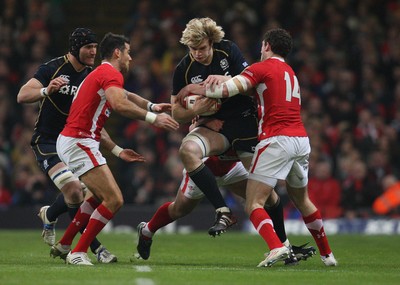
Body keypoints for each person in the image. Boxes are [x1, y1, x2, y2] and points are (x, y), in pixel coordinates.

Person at [176, 28, 338, 267]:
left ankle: (276, 247)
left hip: (276, 139)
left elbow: (226, 91)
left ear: (265, 46)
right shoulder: (290, 72)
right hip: (301, 141)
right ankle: (328, 255)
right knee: (303, 201)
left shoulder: (261, 68)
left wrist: (189, 89)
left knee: (253, 203)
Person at [51, 32, 179, 266]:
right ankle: (78, 253)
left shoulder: (101, 73)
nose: (130, 58)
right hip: (79, 141)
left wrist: (151, 104)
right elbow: (120, 103)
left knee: (97, 197)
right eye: (128, 52)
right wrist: (153, 118)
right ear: (118, 52)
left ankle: (66, 243)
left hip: (79, 140)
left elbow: (126, 95)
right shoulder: (109, 73)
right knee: (114, 199)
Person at [16, 28, 121, 263]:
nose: (94, 51)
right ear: (75, 48)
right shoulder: (52, 68)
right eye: (88, 47)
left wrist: (116, 149)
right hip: (47, 141)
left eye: (95, 47)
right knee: (74, 190)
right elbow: (22, 95)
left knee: (85, 193)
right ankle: (94, 249)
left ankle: (51, 214)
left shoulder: (91, 76)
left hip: (73, 140)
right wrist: (46, 90)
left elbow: (94, 119)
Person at [136, 151, 316, 264]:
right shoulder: (216, 104)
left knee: (269, 198)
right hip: (204, 168)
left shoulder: (246, 107)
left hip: (232, 166)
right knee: (180, 209)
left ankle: (284, 245)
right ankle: (147, 231)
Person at [169, 17, 260, 236]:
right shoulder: (184, 68)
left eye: (201, 48)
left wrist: (223, 82)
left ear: (211, 41)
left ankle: (283, 244)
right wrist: (195, 110)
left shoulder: (228, 51)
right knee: (187, 152)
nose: (197, 54)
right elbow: (176, 113)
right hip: (213, 129)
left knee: (261, 195)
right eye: (192, 49)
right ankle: (222, 209)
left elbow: (251, 87)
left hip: (243, 122)